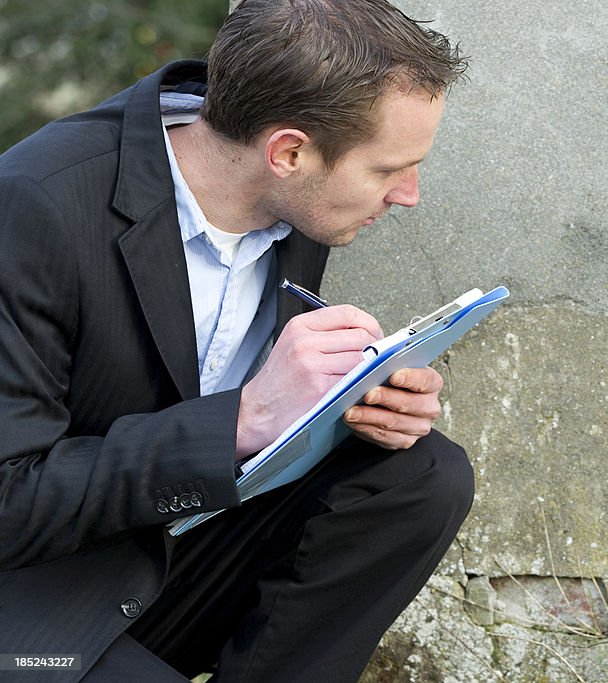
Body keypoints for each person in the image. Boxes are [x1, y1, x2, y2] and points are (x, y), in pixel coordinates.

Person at [0, 0, 473, 680]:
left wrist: (356, 402)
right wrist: (242, 420)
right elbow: (9, 503)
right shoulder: (35, 206)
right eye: (386, 169)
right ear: (288, 151)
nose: (409, 194)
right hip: (32, 602)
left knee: (424, 475)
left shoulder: (296, 204)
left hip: (170, 550)